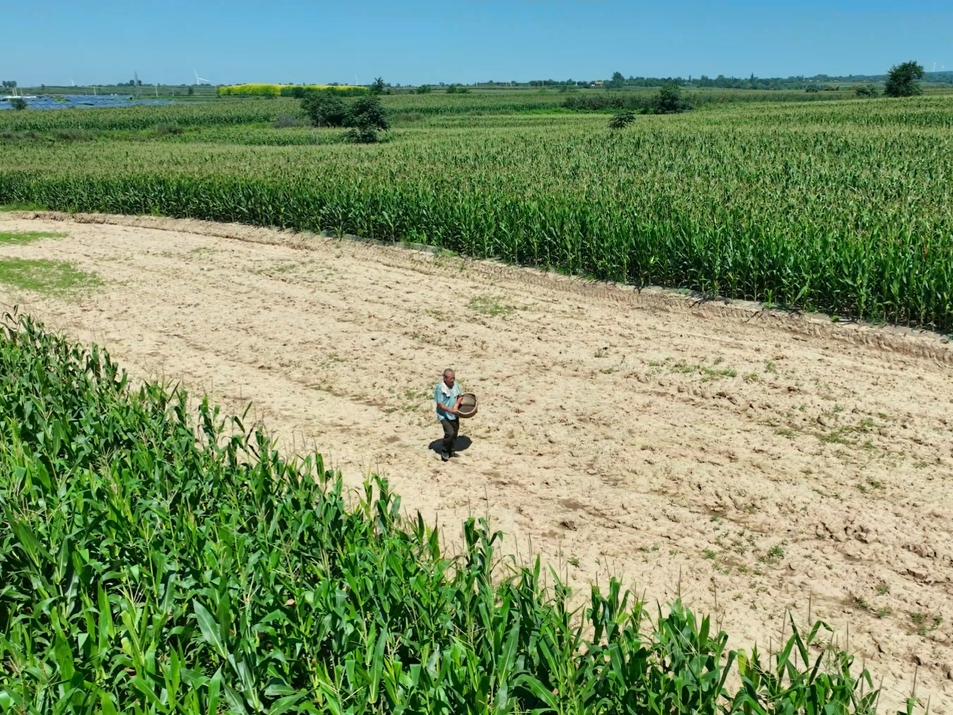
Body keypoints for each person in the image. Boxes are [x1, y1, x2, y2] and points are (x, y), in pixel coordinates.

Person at [434, 368, 463, 461]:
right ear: (445, 378)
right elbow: (440, 404)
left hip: (454, 414)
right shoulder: (440, 388)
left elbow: (460, 396)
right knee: (449, 433)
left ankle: (452, 450)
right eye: (451, 378)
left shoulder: (455, 385)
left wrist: (456, 405)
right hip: (444, 415)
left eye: (454, 378)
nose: (453, 380)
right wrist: (451, 411)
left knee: (455, 432)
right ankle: (445, 450)